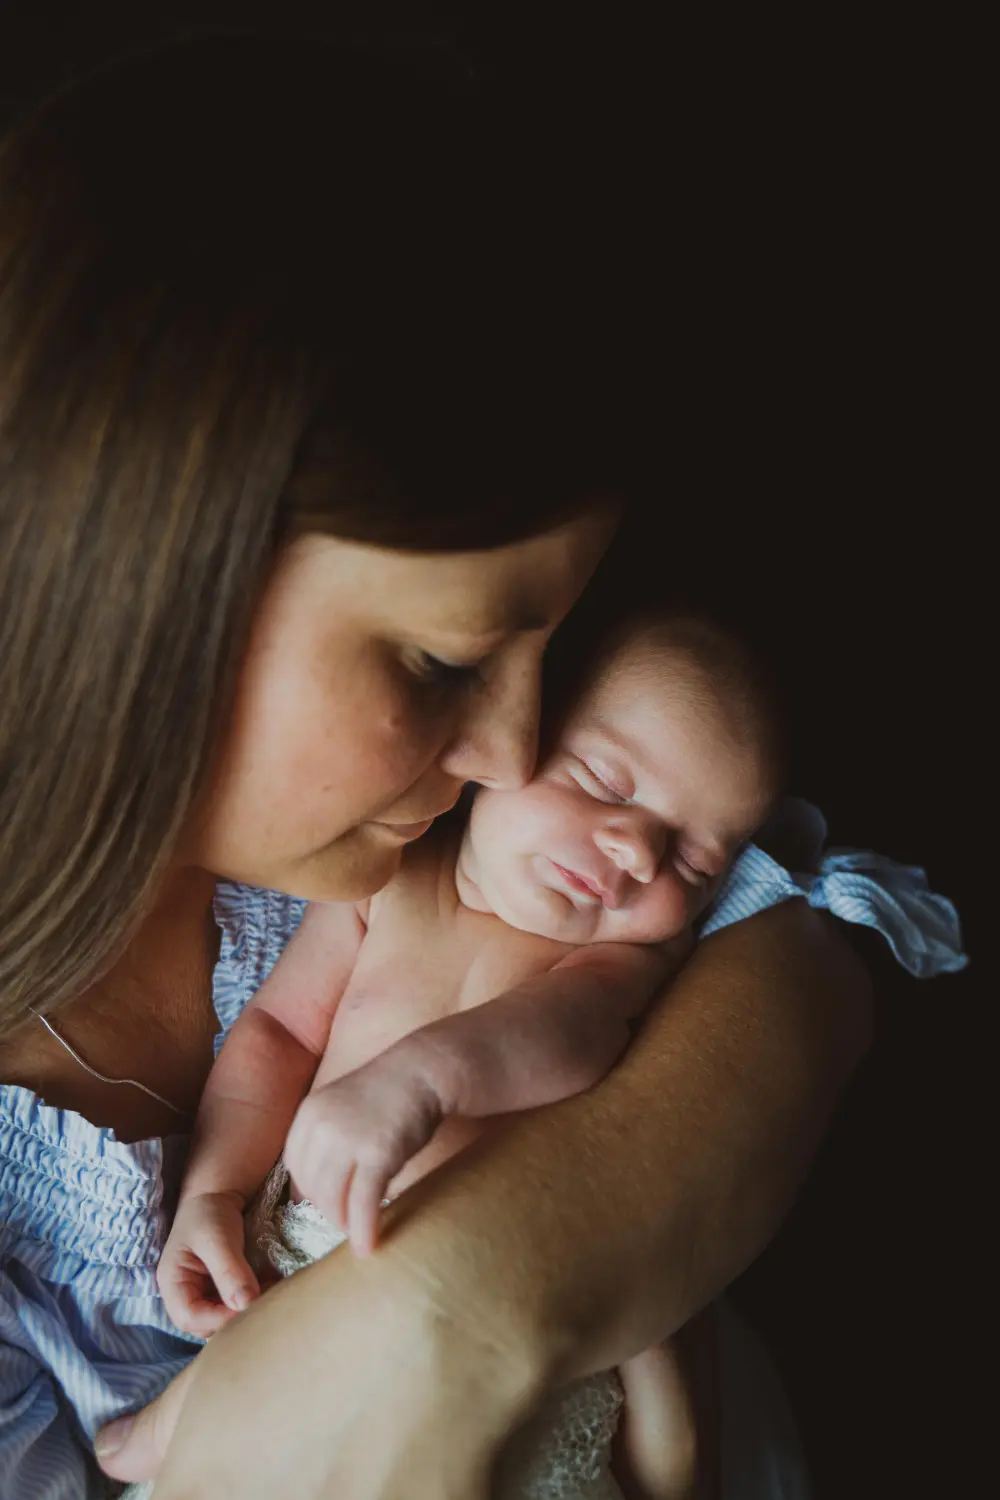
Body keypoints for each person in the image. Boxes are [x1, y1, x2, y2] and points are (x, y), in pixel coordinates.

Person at [0, 37, 965, 1500]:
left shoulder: (390, 838)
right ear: (144, 599)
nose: (512, 757)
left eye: (550, 663)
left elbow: (812, 948)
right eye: (444, 665)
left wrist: (466, 1307)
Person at [154, 612, 781, 1499]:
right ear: (511, 746)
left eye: (695, 862)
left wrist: (423, 1079)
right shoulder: (391, 874)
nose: (637, 851)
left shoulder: (607, 967)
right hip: (309, 1256)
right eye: (604, 781)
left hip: (509, 1303)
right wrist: (214, 1188)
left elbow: (570, 1036)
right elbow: (280, 1033)